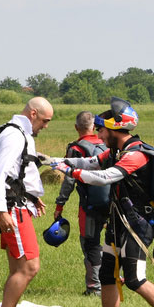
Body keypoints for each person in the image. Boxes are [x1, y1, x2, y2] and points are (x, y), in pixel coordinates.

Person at [46, 104, 154, 307]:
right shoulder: (114, 152)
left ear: (115, 128)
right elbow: (91, 163)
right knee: (107, 275)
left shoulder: (135, 155)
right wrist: (50, 160)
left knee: (134, 279)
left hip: (139, 224)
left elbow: (104, 177)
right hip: (118, 221)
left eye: (102, 131)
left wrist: (69, 172)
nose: (99, 135)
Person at [0, 96, 53, 307]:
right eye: (45, 120)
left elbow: (21, 170)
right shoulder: (14, 135)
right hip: (11, 209)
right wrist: (1, 209)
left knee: (17, 268)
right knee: (29, 267)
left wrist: (34, 197)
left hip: (18, 205)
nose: (46, 126)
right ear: (33, 114)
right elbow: (1, 172)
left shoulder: (21, 134)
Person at [53, 111, 110, 296]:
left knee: (90, 244)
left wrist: (60, 204)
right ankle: (111, 282)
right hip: (112, 203)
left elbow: (69, 179)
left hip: (89, 204)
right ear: (94, 127)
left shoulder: (76, 148)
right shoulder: (107, 145)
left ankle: (94, 288)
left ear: (76, 127)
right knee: (110, 243)